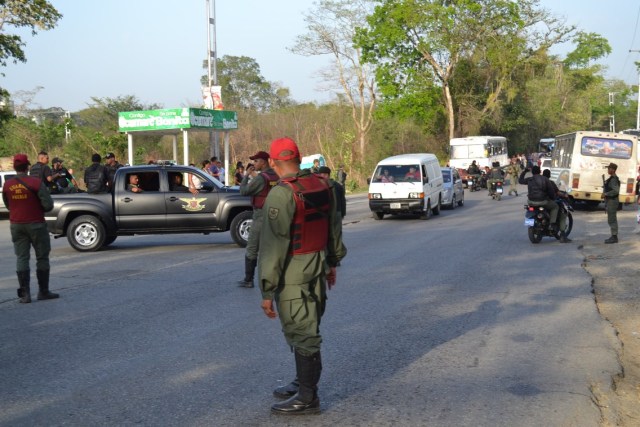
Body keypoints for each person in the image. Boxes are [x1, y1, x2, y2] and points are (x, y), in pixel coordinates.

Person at [259, 137, 346, 415]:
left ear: (273, 162)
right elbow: (334, 228)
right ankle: (302, 381)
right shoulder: (322, 185)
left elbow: (274, 248)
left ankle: (308, 397)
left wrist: (267, 290)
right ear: (299, 158)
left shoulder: (281, 194)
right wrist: (332, 263)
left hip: (293, 271)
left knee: (301, 329)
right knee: (309, 324)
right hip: (318, 265)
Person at [2, 153, 59, 303]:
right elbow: (48, 205)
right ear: (28, 166)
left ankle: (26, 295)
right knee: (42, 257)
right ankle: (43, 291)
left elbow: (8, 205)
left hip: (17, 225)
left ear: (14, 167)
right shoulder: (35, 183)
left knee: (22, 258)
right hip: (36, 224)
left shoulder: (7, 185)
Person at [237, 151, 279, 288]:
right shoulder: (276, 175)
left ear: (263, 162)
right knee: (273, 248)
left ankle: (248, 279)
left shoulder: (262, 178)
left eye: (256, 161)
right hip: (276, 214)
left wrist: (246, 175)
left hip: (261, 215)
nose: (254, 164)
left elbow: (244, 191)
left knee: (252, 248)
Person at [519, 165, 560, 234]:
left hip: (531, 202)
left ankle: (529, 224)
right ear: (540, 171)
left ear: (532, 172)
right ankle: (551, 224)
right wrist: (553, 198)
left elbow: (520, 181)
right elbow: (551, 191)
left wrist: (524, 172)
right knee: (555, 206)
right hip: (542, 202)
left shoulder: (530, 179)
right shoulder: (545, 179)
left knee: (529, 210)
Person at [542, 169, 571, 243]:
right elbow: (556, 193)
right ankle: (562, 236)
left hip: (533, 202)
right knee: (562, 215)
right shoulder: (550, 183)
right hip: (546, 202)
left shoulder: (536, 181)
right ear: (549, 175)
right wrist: (564, 195)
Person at [603, 162, 620, 244]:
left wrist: (606, 194)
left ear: (613, 170)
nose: (608, 170)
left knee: (612, 219)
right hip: (611, 201)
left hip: (612, 201)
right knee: (612, 219)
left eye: (609, 168)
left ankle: (614, 237)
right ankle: (613, 235)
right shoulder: (611, 179)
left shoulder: (613, 179)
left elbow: (616, 191)